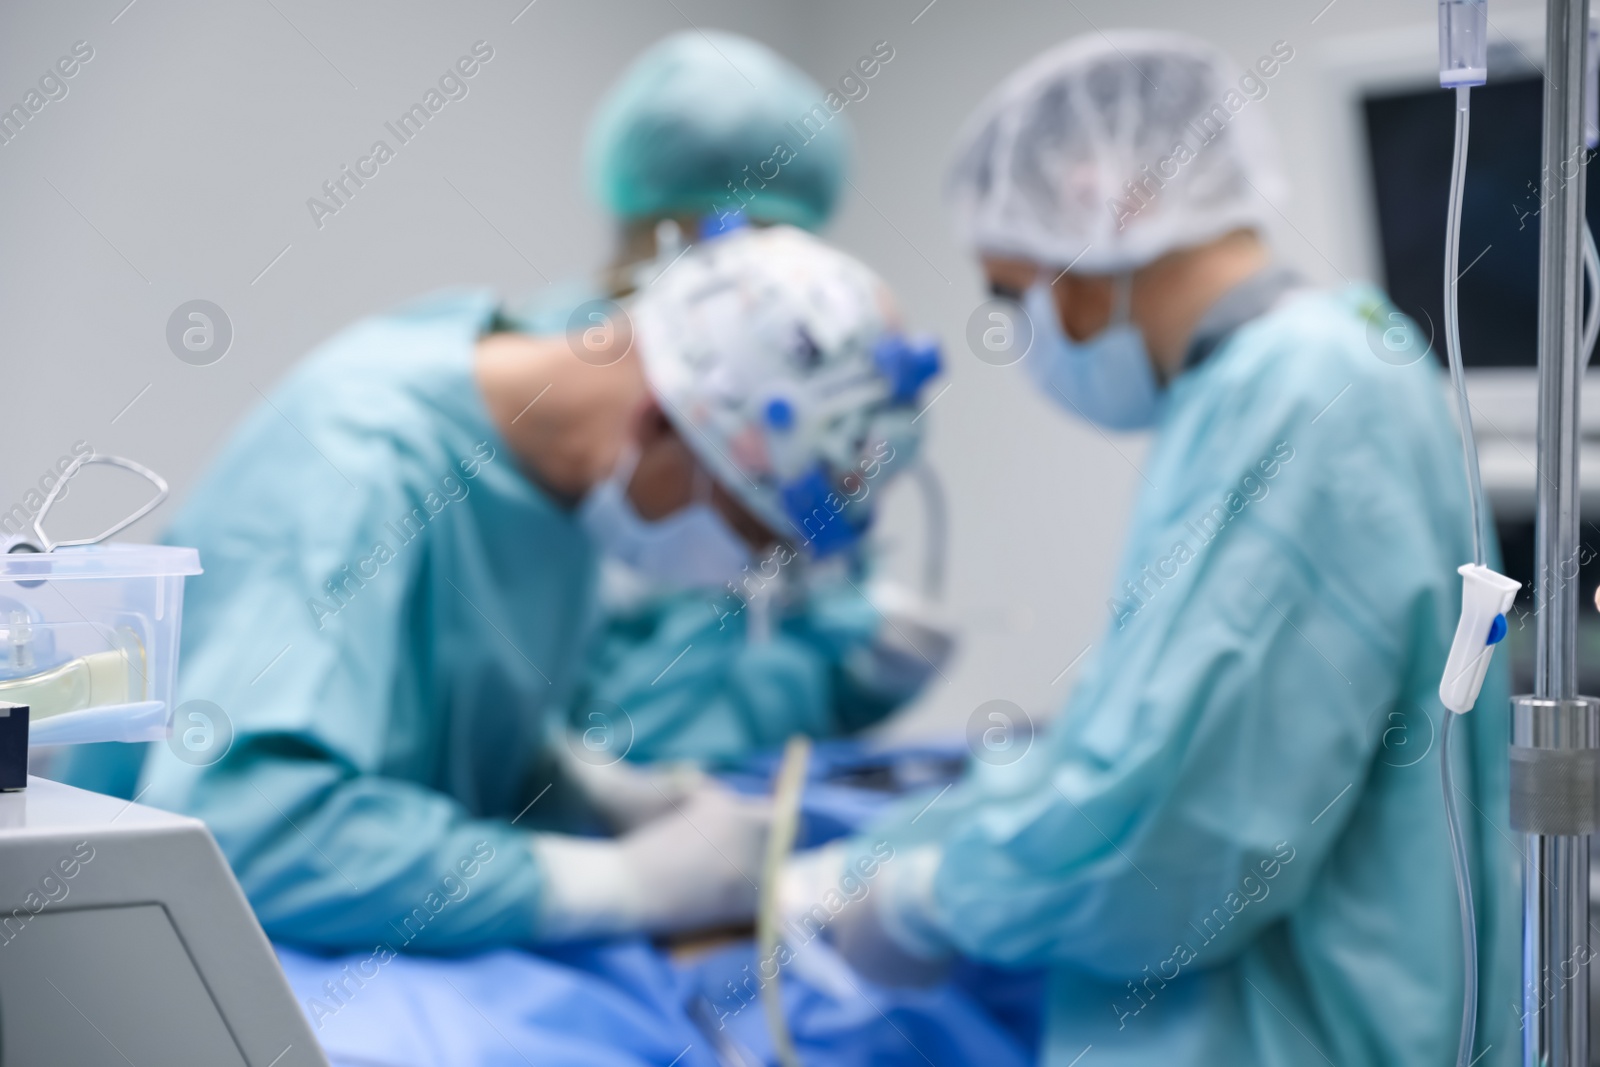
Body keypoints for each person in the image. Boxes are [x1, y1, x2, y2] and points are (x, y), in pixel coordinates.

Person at [791, 31, 1517, 1067]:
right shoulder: (1293, 372)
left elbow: (1174, 838)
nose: (1026, 326)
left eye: (1013, 291)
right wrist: (896, 847)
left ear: (1094, 209)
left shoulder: (1302, 396)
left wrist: (922, 899)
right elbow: (1146, 738)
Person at [56, 225, 939, 950]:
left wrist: (586, 789)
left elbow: (436, 711)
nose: (744, 571)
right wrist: (612, 885)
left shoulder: (555, 486)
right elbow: (241, 830)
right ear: (659, 421)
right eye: (749, 529)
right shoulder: (356, 471)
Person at [507, 29, 948, 765]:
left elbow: (816, 606)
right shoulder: (546, 397)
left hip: (756, 807)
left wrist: (863, 673)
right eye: (738, 242)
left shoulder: (804, 389)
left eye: (787, 251)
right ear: (657, 235)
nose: (764, 292)